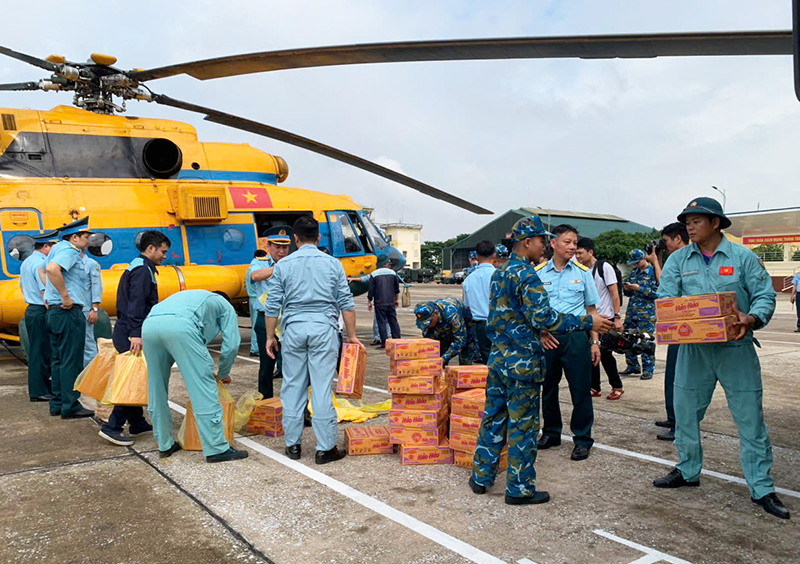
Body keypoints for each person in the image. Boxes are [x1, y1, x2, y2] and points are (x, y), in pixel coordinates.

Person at [653, 197, 789, 520]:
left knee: (750, 421)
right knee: (684, 414)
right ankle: (687, 471)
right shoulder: (677, 261)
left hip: (735, 350)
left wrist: (752, 318)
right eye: (687, 221)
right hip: (693, 351)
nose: (689, 226)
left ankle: (761, 487)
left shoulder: (742, 258)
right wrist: (677, 317)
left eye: (696, 220)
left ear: (715, 223)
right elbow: (666, 298)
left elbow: (765, 295)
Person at [469, 216, 613, 505]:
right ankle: (519, 489)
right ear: (527, 242)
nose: (544, 246)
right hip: (522, 363)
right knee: (523, 427)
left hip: (499, 360)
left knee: (494, 418)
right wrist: (588, 321)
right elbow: (543, 318)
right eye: (540, 240)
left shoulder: (501, 272)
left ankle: (481, 477)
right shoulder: (526, 275)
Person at [264, 216, 361, 464]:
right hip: (323, 328)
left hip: (293, 330)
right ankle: (325, 448)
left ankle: (293, 445)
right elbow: (346, 303)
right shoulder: (333, 264)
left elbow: (272, 305)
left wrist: (269, 337)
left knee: (292, 387)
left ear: (295, 239)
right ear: (318, 238)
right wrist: (351, 336)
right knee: (321, 388)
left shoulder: (283, 265)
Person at [143, 290, 248, 463]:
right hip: (180, 326)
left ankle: (165, 445)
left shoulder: (191, 297)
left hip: (149, 325)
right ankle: (217, 448)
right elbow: (231, 345)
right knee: (202, 387)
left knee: (156, 386)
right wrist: (223, 373)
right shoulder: (225, 305)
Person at [535, 224, 601, 461]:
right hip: (548, 338)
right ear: (553, 243)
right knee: (548, 388)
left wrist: (595, 343)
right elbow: (534, 309)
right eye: (568, 242)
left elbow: (591, 310)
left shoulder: (583, 273)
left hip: (575, 338)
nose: (573, 247)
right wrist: (542, 333)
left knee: (580, 390)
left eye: (575, 243)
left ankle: (582, 439)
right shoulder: (539, 273)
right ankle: (551, 433)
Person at [99, 230, 170, 447]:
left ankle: (137, 422)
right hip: (131, 331)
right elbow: (136, 304)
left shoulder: (138, 266)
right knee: (130, 379)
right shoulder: (142, 271)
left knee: (135, 376)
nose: (164, 256)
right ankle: (112, 427)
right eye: (162, 251)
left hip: (127, 328)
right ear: (151, 249)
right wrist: (136, 334)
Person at [44, 217, 95, 419]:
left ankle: (57, 403)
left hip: (54, 312)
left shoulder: (56, 249)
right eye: (85, 236)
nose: (88, 240)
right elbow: (51, 270)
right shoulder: (70, 251)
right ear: (74, 237)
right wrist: (65, 295)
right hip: (67, 311)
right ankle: (70, 405)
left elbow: (45, 269)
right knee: (71, 360)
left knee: (57, 359)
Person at [575, 237, 624, 400]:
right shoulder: (580, 270)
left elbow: (614, 293)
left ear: (590, 252)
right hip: (589, 319)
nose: (578, 256)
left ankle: (617, 386)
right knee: (592, 352)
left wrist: (617, 317)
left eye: (580, 253)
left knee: (606, 354)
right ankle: (594, 387)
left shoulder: (604, 267)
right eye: (576, 253)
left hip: (606, 318)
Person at [653, 222, 689, 441]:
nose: (664, 245)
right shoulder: (675, 260)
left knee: (682, 378)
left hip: (687, 326)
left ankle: (680, 425)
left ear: (678, 239)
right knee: (672, 375)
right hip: (676, 325)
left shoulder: (687, 260)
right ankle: (673, 417)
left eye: (666, 241)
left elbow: (663, 285)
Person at [20, 230, 59, 402]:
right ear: (45, 247)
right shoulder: (41, 264)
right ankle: (38, 390)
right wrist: (52, 310)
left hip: (31, 309)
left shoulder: (27, 262)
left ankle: (42, 387)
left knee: (38, 350)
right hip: (41, 310)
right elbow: (45, 291)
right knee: (41, 352)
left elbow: (22, 286)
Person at [253, 227, 291, 398]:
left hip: (288, 320)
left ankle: (300, 409)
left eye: (285, 247)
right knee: (267, 366)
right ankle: (266, 404)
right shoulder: (260, 262)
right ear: (268, 246)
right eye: (277, 247)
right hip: (266, 319)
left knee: (294, 366)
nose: (282, 251)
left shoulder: (293, 263)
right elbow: (255, 276)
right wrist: (281, 268)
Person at [619, 249, 658, 380]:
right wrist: (627, 289)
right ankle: (632, 366)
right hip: (632, 312)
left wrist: (638, 288)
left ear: (644, 259)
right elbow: (629, 294)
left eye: (637, 262)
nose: (635, 265)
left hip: (647, 313)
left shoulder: (654, 272)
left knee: (646, 341)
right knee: (627, 338)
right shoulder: (634, 273)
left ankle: (648, 370)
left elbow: (656, 294)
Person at [414, 298, 479, 365]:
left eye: (429, 322)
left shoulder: (451, 314)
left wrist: (443, 358)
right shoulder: (428, 319)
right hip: (443, 333)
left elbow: (460, 341)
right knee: (437, 360)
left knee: (465, 362)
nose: (427, 325)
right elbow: (429, 340)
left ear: (435, 313)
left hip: (465, 332)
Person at [462, 240, 496, 363]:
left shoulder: (469, 279)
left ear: (476, 256)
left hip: (480, 325)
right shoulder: (499, 275)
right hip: (499, 323)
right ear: (494, 255)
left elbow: (466, 304)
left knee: (487, 360)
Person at [367, 253, 401, 347]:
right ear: (386, 263)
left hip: (379, 303)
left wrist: (369, 301)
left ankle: (384, 343)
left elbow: (371, 290)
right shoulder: (393, 273)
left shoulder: (374, 274)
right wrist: (396, 300)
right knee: (393, 321)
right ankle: (397, 340)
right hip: (390, 302)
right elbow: (396, 289)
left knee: (381, 322)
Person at [80, 252, 103, 368]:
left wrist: (94, 309)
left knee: (88, 344)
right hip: (72, 310)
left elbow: (96, 286)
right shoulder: (70, 264)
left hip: (85, 310)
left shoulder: (91, 264)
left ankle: (91, 373)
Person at [246, 250, 270, 356]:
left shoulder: (249, 270)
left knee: (254, 323)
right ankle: (255, 348)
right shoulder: (260, 269)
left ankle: (255, 347)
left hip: (252, 298)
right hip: (259, 298)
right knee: (258, 323)